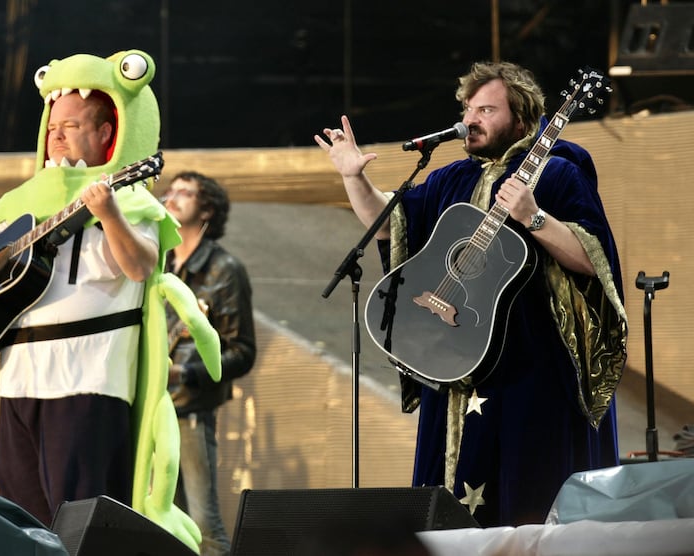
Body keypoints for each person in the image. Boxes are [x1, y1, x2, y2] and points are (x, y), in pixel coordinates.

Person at [315, 61, 628, 527]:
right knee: (448, 513)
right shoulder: (452, 178)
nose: (470, 118)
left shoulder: (561, 174)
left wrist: (534, 216)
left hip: (528, 372)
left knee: (524, 507)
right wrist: (352, 176)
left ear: (521, 120)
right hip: (455, 365)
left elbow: (594, 261)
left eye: (486, 109)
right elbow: (388, 224)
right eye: (467, 107)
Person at [0, 89, 160, 526]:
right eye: (53, 128)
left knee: (82, 523)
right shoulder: (27, 197)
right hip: (20, 378)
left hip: (87, 378)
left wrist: (110, 214)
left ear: (105, 133)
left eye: (71, 127)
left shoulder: (132, 198)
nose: (57, 137)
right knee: (24, 523)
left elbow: (139, 267)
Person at [161, 171, 256, 556]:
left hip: (191, 409)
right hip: (152, 410)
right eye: (171, 189)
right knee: (161, 522)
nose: (172, 196)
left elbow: (243, 351)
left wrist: (184, 372)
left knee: (202, 524)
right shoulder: (157, 261)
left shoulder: (224, 268)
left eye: (186, 192)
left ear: (208, 210)